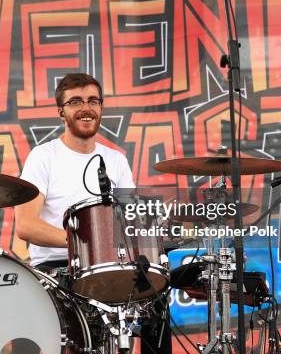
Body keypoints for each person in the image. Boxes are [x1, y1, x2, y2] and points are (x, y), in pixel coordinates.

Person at [15, 73, 171, 353]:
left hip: (111, 266)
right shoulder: (43, 157)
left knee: (156, 296)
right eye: (75, 101)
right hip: (57, 271)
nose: (85, 108)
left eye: (92, 101)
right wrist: (83, 245)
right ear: (61, 111)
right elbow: (26, 226)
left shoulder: (116, 160)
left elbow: (130, 223)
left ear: (101, 108)